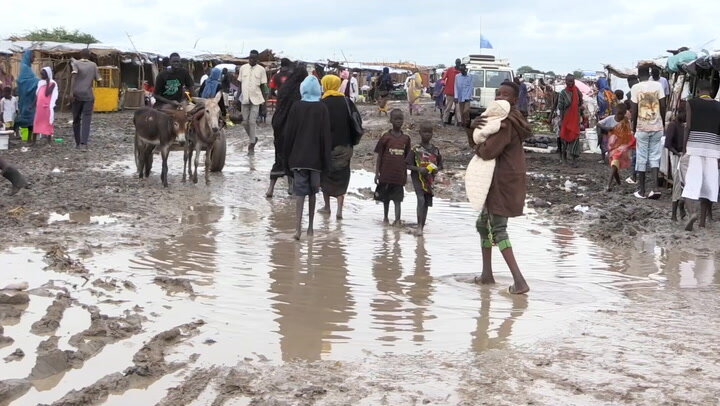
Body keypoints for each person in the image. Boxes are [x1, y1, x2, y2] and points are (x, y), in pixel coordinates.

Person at [470, 81, 532, 295]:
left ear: (514, 100)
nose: (500, 98)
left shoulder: (506, 123)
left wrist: (474, 132)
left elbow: (487, 151)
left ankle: (520, 281)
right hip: (506, 177)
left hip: (501, 180)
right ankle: (487, 274)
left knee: (498, 229)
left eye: (505, 95)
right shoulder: (512, 119)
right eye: (498, 94)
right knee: (482, 224)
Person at [282, 75, 332, 240]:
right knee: (312, 192)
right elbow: (326, 137)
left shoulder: (296, 107)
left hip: (298, 158)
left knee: (300, 194)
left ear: (302, 89)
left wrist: (286, 157)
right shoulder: (322, 108)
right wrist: (326, 161)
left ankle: (297, 229)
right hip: (316, 160)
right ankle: (310, 228)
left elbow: (289, 134)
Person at [682, 81, 720, 230]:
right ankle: (703, 222)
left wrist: (685, 147)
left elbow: (688, 126)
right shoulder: (719, 106)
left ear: (697, 91)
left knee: (690, 182)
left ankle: (692, 213)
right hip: (713, 149)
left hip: (694, 147)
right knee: (709, 185)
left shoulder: (691, 103)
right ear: (710, 91)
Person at [268, 64, 307, 198]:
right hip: (292, 128)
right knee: (291, 158)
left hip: (278, 125)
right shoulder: (301, 90)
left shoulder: (284, 88)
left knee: (279, 156)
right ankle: (291, 187)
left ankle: (270, 189)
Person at [318, 74, 355, 219]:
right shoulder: (347, 102)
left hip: (328, 148)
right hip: (345, 146)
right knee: (342, 175)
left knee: (326, 176)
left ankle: (327, 207)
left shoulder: (322, 104)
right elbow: (355, 122)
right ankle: (339, 211)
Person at [630, 66, 666, 199]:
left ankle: (642, 191)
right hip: (657, 127)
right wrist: (661, 122)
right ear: (650, 74)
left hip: (642, 127)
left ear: (639, 76)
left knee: (641, 158)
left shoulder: (636, 88)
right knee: (655, 157)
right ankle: (655, 188)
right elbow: (663, 105)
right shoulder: (658, 86)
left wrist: (634, 128)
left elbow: (634, 110)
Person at [374, 109, 411, 225]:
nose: (399, 121)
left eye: (401, 119)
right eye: (396, 119)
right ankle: (385, 218)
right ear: (391, 120)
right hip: (386, 174)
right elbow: (379, 156)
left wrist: (406, 175)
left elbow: (407, 158)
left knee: (398, 199)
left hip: (399, 175)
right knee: (386, 199)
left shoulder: (406, 139)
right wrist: (376, 173)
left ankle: (397, 220)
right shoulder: (385, 137)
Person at [406, 122, 442, 236]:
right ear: (420, 133)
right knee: (420, 199)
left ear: (432, 134)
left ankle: (421, 225)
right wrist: (419, 169)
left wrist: (436, 169)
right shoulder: (415, 149)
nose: (427, 134)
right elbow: (407, 164)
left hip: (429, 180)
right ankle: (419, 227)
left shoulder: (435, 150)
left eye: (429, 132)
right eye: (424, 132)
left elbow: (440, 165)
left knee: (426, 202)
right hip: (417, 178)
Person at [598, 103, 635, 191]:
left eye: (622, 114)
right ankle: (618, 183)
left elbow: (629, 132)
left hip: (622, 146)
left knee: (615, 161)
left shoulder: (626, 122)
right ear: (615, 112)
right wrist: (607, 128)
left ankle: (608, 185)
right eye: (618, 113)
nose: (620, 116)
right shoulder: (610, 119)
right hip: (612, 145)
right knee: (614, 165)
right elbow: (598, 124)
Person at [239, 50, 268, 154]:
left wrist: (264, 104)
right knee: (244, 122)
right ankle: (254, 138)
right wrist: (237, 100)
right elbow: (240, 85)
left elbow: (264, 87)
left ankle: (251, 145)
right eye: (250, 58)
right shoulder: (243, 68)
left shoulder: (261, 70)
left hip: (256, 99)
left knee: (252, 121)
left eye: (254, 58)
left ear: (257, 59)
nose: (251, 60)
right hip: (245, 99)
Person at [665, 100, 687, 221]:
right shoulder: (673, 125)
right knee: (678, 185)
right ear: (679, 113)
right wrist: (677, 153)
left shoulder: (683, 126)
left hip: (682, 155)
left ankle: (680, 208)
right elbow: (668, 144)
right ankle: (674, 213)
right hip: (677, 156)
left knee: (683, 184)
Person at [557, 74, 583, 165]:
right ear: (566, 81)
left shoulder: (577, 91)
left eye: (572, 81)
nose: (570, 83)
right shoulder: (563, 93)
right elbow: (560, 107)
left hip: (575, 118)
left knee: (575, 138)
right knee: (564, 138)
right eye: (569, 81)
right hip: (566, 118)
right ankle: (564, 158)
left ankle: (574, 159)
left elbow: (580, 103)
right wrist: (561, 120)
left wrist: (580, 113)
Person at [16, 50, 38, 140]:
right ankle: (19, 132)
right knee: (27, 116)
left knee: (31, 117)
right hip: (26, 97)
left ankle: (29, 137)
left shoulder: (27, 67)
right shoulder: (25, 67)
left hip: (29, 97)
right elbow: (26, 81)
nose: (34, 58)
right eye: (32, 56)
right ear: (28, 57)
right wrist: (40, 81)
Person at [32, 67, 58, 145]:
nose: (42, 76)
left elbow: (47, 93)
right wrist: (32, 104)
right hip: (39, 107)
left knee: (48, 123)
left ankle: (49, 141)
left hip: (46, 107)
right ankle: (34, 141)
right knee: (37, 122)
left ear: (47, 75)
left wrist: (47, 83)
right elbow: (37, 95)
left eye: (43, 75)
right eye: (41, 74)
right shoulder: (40, 83)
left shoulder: (52, 83)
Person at [596, 77, 618, 162]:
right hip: (613, 118)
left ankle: (603, 158)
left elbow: (601, 106)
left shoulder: (600, 93)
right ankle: (611, 157)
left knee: (602, 138)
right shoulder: (612, 93)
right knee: (612, 138)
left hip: (603, 119)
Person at [441, 59, 461, 124]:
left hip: (458, 94)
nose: (458, 64)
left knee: (458, 109)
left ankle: (458, 122)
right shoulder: (450, 70)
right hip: (450, 92)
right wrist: (443, 83)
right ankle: (445, 120)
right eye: (457, 63)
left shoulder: (461, 71)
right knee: (448, 107)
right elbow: (443, 78)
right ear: (455, 63)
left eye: (459, 63)